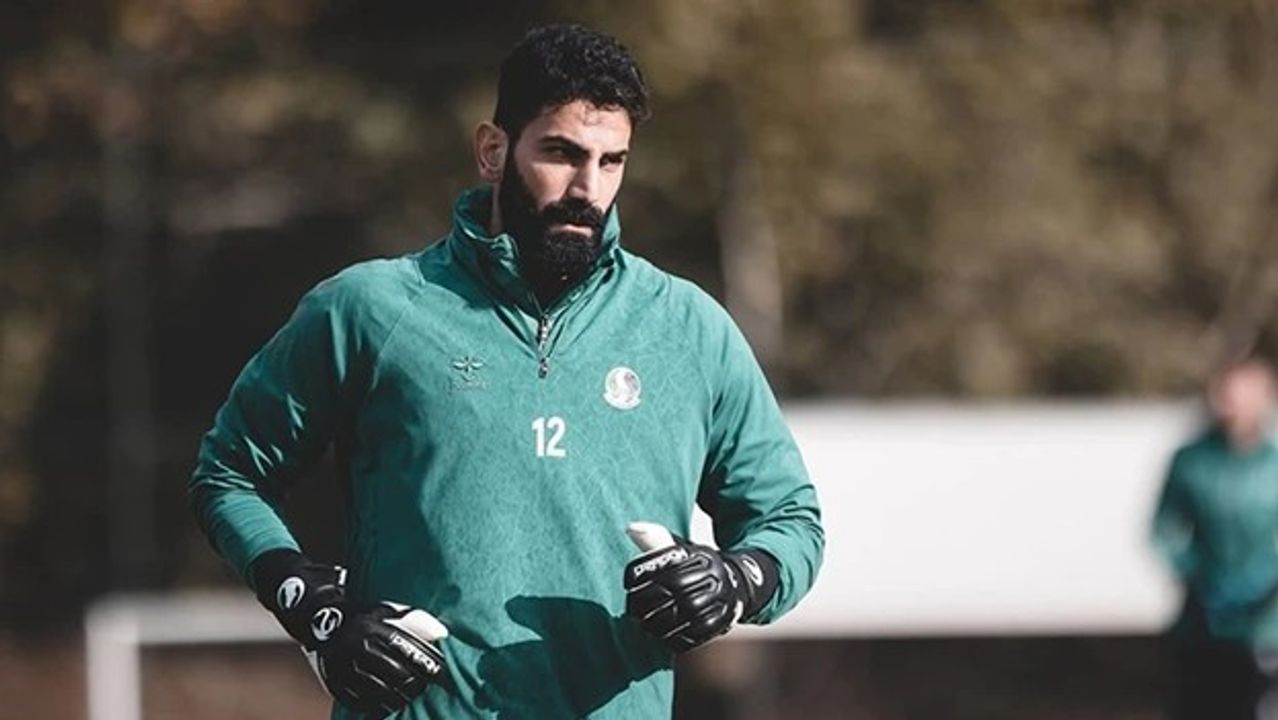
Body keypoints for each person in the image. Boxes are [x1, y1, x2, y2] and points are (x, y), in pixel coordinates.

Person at [189, 24, 824, 719]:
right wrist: (315, 610)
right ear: (493, 150)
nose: (587, 187)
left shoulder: (688, 329)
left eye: (612, 161)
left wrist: (735, 580)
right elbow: (229, 473)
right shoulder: (369, 309)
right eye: (561, 153)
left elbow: (791, 521)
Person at [1152, 357, 1278, 720]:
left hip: (1267, 623)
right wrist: (1196, 576)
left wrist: (1268, 583)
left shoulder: (1274, 466)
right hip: (1204, 622)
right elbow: (1164, 530)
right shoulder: (1192, 462)